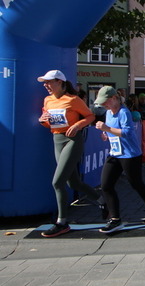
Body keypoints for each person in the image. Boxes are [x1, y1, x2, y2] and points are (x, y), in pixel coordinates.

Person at [37, 70, 103, 237]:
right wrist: (43, 121)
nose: (46, 85)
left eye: (49, 82)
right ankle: (103, 201)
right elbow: (49, 123)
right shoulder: (48, 100)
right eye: (45, 82)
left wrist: (77, 125)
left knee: (57, 182)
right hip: (57, 139)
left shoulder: (73, 100)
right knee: (73, 183)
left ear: (60, 82)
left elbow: (90, 116)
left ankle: (62, 222)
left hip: (72, 140)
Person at [94, 86, 145, 233]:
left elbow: (127, 133)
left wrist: (106, 129)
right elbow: (111, 130)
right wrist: (106, 134)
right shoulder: (108, 113)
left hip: (130, 154)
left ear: (114, 98)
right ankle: (115, 219)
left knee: (136, 184)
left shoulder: (124, 112)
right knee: (106, 185)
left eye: (105, 102)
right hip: (115, 153)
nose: (104, 105)